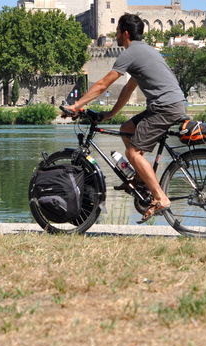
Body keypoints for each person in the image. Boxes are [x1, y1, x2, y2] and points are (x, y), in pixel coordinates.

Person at [64, 13, 187, 223]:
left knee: (132, 152)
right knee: (126, 129)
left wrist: (76, 105)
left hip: (165, 107)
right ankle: (140, 179)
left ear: (126, 33)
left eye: (118, 31)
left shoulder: (130, 53)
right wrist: (111, 114)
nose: (116, 35)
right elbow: (129, 89)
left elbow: (103, 84)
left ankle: (160, 197)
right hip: (170, 104)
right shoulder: (146, 51)